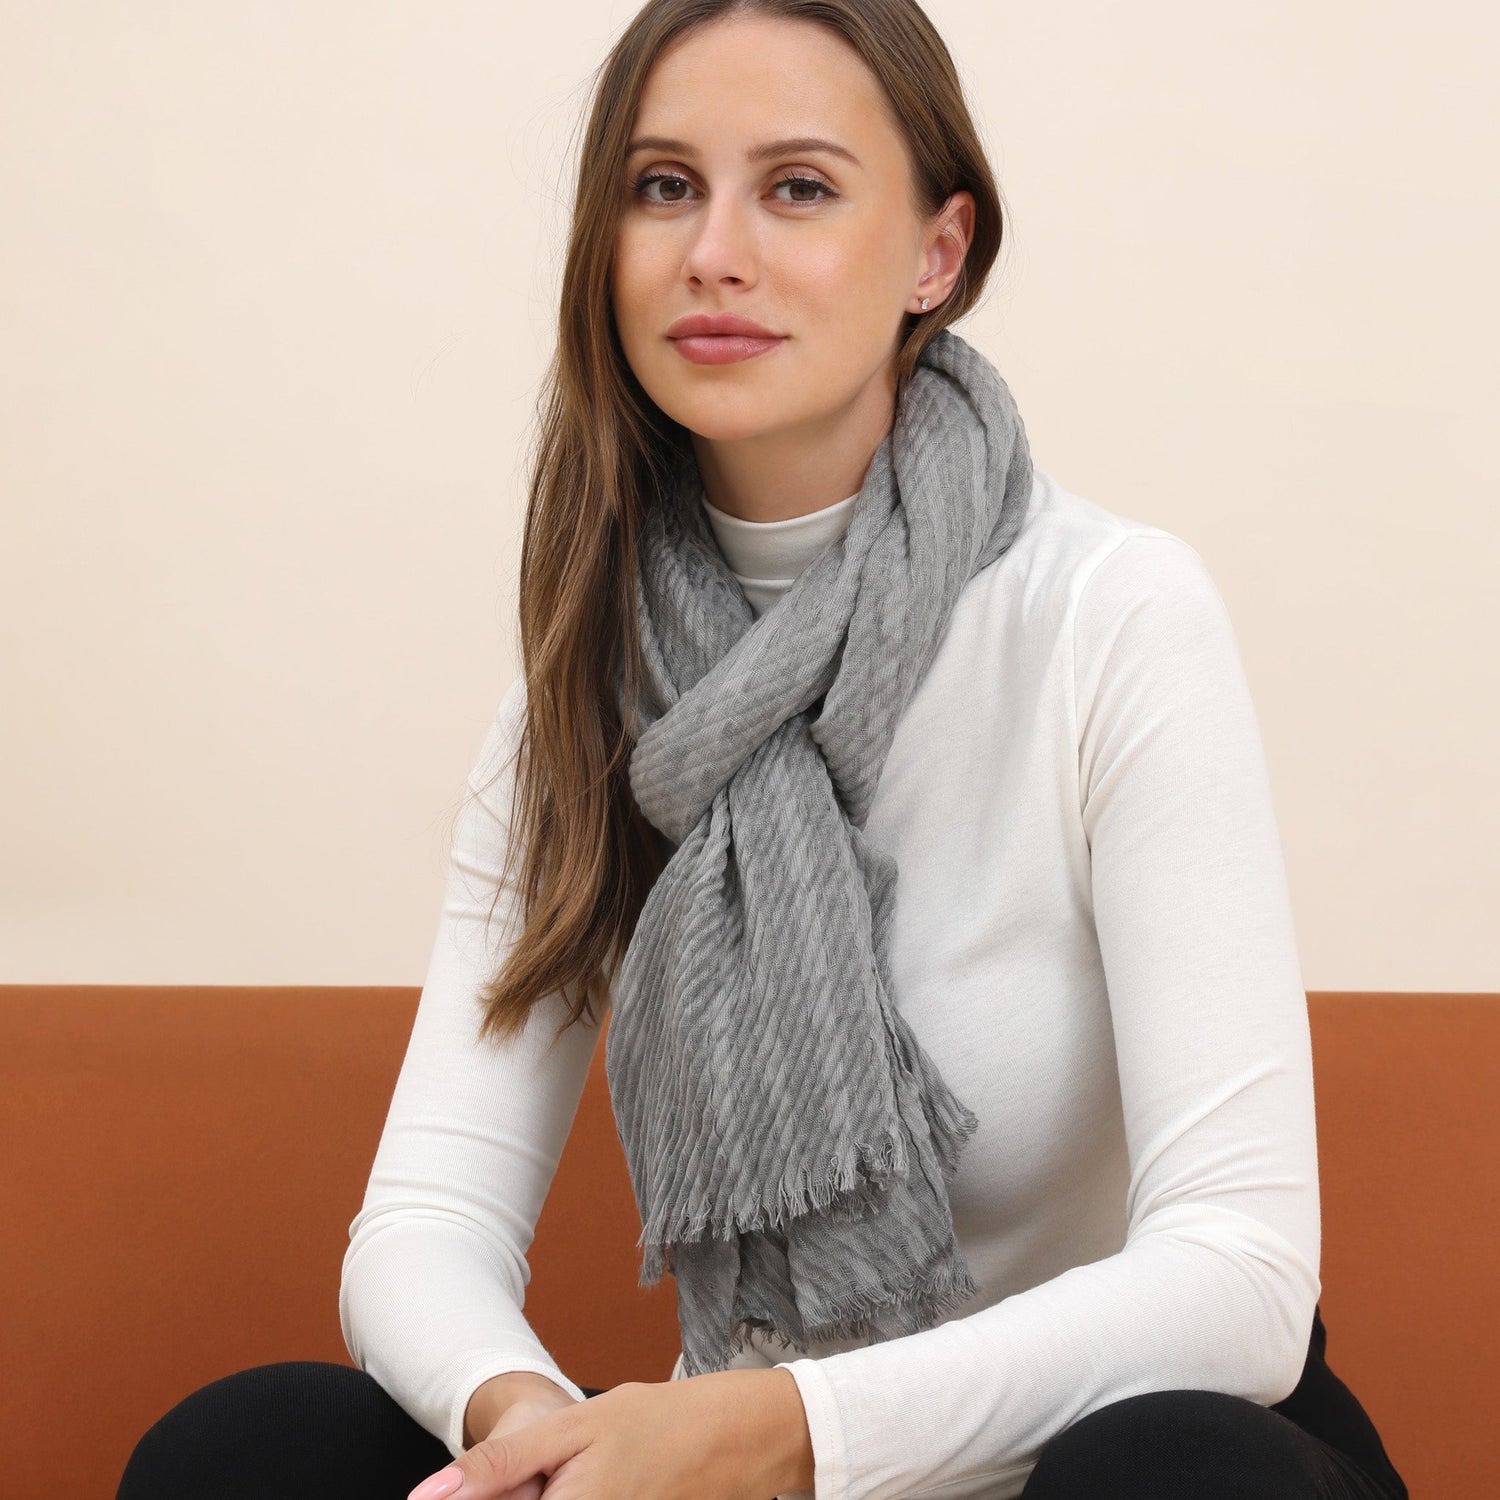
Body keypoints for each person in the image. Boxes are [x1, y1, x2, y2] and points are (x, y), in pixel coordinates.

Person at [117, 1, 1412, 1498]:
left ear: (938, 254)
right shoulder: (584, 695)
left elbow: (1240, 1276)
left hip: (1095, 1458)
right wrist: (537, 1433)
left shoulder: (1109, 615)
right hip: (735, 1465)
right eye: (663, 185)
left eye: (798, 187)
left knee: (1174, 1472)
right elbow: (425, 1225)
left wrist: (783, 1429)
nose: (713, 251)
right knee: (249, 1451)